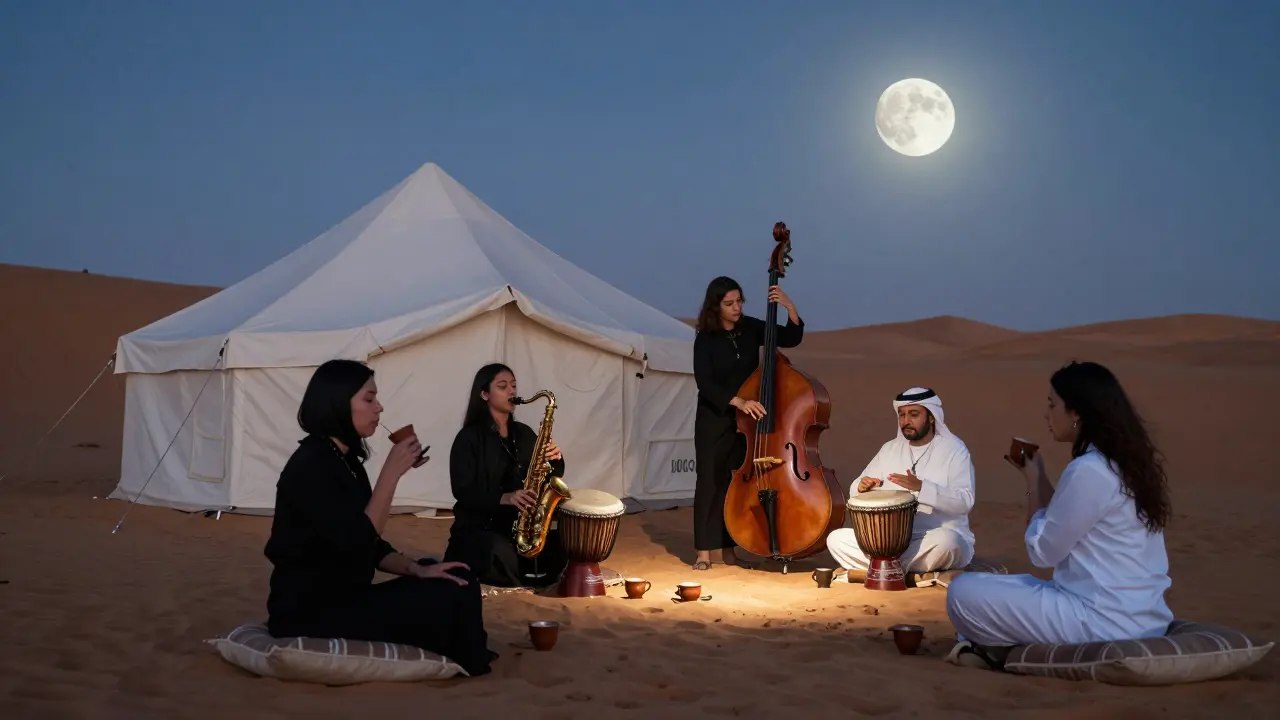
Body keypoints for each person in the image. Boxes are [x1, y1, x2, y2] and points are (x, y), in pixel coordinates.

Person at [263, 359, 494, 677]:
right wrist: (391, 474)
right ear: (337, 403)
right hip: (312, 610)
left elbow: (371, 545)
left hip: (348, 598)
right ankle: (466, 659)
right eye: (369, 399)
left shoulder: (347, 462)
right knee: (441, 598)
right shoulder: (310, 465)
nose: (379, 408)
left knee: (455, 575)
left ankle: (466, 652)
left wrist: (416, 569)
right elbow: (357, 541)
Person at [944, 361, 1174, 670]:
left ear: (1077, 412)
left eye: (1053, 404)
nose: (1046, 414)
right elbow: (1066, 517)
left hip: (1102, 619)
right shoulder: (1121, 464)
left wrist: (1032, 489)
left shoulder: (1090, 470)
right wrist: (1037, 477)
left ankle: (996, 650)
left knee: (962, 593)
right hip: (1141, 614)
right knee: (1000, 584)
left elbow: (1043, 552)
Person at [690, 275, 804, 571]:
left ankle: (729, 552)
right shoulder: (705, 338)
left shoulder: (751, 327)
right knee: (710, 484)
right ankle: (704, 552)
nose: (736, 308)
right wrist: (738, 401)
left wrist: (789, 307)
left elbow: (790, 338)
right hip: (715, 420)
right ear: (716, 306)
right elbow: (706, 383)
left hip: (748, 424)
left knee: (735, 487)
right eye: (729, 303)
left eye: (739, 301)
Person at [827, 387, 976, 587]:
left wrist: (922, 488)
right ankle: (912, 574)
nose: (906, 421)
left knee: (950, 544)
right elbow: (857, 489)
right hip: (887, 543)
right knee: (836, 539)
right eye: (902, 415)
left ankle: (879, 570)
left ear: (932, 417)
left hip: (930, 537)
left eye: (914, 414)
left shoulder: (954, 450)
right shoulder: (890, 449)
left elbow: (964, 502)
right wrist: (861, 486)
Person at [443, 363, 568, 589]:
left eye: (513, 385)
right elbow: (462, 490)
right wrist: (505, 498)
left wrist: (555, 458)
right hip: (482, 527)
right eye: (502, 386)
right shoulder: (468, 438)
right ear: (484, 394)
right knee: (497, 552)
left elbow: (548, 477)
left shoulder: (524, 433)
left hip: (519, 526)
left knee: (565, 543)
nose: (512, 391)